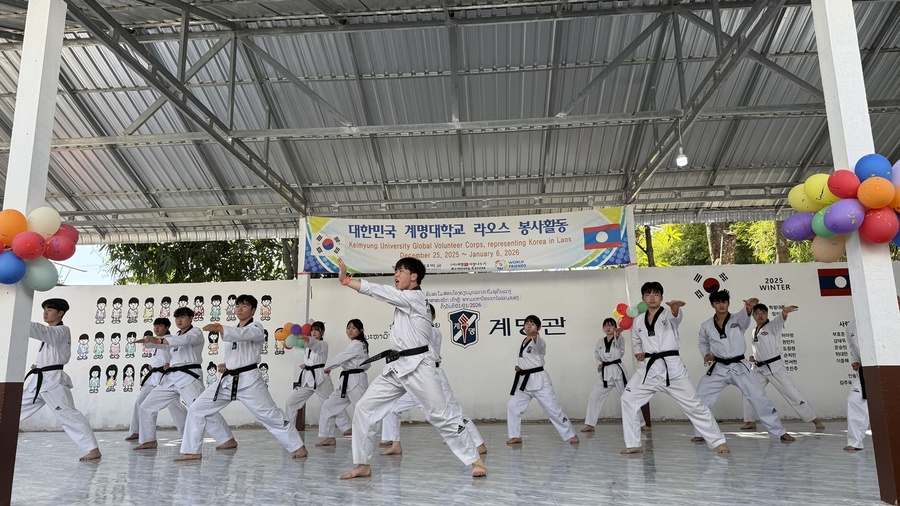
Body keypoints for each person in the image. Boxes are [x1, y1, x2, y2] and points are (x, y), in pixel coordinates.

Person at [336, 257, 486, 479]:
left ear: (414, 276)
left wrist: (348, 281)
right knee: (365, 408)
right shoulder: (405, 300)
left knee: (440, 415)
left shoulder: (414, 297)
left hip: (419, 367)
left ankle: (475, 459)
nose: (396, 275)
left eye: (401, 271)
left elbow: (380, 292)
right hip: (397, 367)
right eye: (395, 271)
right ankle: (362, 464)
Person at [176, 295, 306, 460]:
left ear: (253, 310)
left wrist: (221, 328)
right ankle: (191, 451)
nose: (239, 309)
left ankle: (298, 446)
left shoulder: (256, 328)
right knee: (196, 408)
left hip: (250, 381)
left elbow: (244, 334)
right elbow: (234, 353)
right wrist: (225, 364)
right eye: (237, 306)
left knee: (270, 415)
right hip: (228, 381)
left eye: (244, 306)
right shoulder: (232, 331)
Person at [620, 281, 729, 454]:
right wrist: (639, 351)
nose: (652, 297)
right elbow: (636, 340)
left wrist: (675, 309)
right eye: (648, 294)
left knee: (694, 405)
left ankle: (718, 442)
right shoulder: (638, 320)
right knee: (628, 398)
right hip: (648, 368)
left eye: (656, 294)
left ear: (661, 297)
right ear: (643, 298)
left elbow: (675, 317)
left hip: (672, 368)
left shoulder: (668, 314)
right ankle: (634, 444)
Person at [380, 303, 487, 456]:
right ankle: (395, 444)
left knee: (453, 411)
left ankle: (478, 444)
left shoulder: (432, 331)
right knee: (393, 408)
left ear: (433, 317)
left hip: (432, 375)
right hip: (415, 376)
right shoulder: (413, 330)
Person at [693, 291, 794, 444]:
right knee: (700, 396)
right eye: (717, 302)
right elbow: (703, 342)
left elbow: (745, 317)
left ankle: (779, 431)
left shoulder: (737, 319)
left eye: (724, 302)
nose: (721, 305)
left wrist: (748, 307)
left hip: (740, 366)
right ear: (712, 305)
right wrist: (706, 354)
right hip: (718, 367)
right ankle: (700, 432)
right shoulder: (706, 325)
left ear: (728, 303)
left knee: (759, 397)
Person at [134, 308, 235, 451]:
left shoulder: (195, 332)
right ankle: (148, 440)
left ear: (191, 318)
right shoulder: (176, 335)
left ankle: (226, 439)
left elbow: (184, 340)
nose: (179, 320)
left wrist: (159, 340)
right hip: (172, 378)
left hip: (189, 377)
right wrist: (149, 342)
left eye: (182, 317)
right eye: (177, 318)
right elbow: (168, 347)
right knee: (146, 406)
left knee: (201, 408)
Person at [21, 298, 101, 461]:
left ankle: (92, 449)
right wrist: (38, 366)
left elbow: (42, 331)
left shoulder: (62, 330)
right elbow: (50, 353)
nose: (45, 313)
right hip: (40, 381)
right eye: (44, 309)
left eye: (49, 310)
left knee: (67, 414)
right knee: (14, 408)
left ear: (60, 313)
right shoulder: (51, 333)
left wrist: (19, 321)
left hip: (53, 382)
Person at [741, 303, 825, 431]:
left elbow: (779, 320)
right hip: (759, 368)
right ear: (753, 316)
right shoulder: (754, 331)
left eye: (763, 313)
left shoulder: (772, 326)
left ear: (767, 314)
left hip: (775, 368)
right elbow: (760, 348)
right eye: (757, 313)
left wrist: (784, 313)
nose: (760, 315)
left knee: (792, 393)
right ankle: (750, 421)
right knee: (748, 389)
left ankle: (814, 419)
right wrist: (754, 357)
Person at [507, 315, 579, 446]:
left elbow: (536, 344)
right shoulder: (523, 341)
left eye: (532, 324)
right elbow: (530, 359)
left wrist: (534, 336)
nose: (529, 326)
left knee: (552, 410)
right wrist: (521, 367)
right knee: (513, 405)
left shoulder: (539, 341)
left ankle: (571, 434)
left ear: (538, 328)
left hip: (540, 381)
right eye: (527, 323)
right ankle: (515, 436)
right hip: (524, 381)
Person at [283, 321, 351, 436]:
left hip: (321, 379)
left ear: (322, 332)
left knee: (331, 403)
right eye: (312, 330)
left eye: (316, 330)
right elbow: (312, 359)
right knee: (291, 402)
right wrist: (305, 365)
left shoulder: (323, 344)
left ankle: (347, 427)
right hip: (307, 379)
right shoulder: (307, 346)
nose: (313, 332)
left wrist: (306, 338)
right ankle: (288, 429)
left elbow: (315, 346)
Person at [124, 317, 187, 442]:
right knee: (140, 402)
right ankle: (136, 431)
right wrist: (153, 365)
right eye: (155, 326)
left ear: (167, 328)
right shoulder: (156, 340)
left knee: (173, 404)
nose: (156, 328)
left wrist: (170, 364)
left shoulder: (170, 340)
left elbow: (174, 356)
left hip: (166, 376)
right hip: (153, 376)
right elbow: (158, 355)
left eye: (160, 326)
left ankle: (186, 430)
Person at [581, 318, 643, 433]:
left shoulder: (619, 338)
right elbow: (597, 356)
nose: (608, 328)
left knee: (629, 396)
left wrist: (618, 334)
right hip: (605, 372)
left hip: (618, 371)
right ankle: (590, 424)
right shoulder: (600, 342)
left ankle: (641, 423)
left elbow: (620, 349)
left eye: (610, 326)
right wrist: (599, 364)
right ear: (603, 328)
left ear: (615, 327)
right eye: (606, 326)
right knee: (594, 397)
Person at [315, 319, 370, 446]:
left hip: (356, 382)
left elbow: (342, 357)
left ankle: (371, 437)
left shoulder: (357, 344)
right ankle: (329, 436)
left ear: (360, 330)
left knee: (363, 410)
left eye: (354, 328)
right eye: (348, 327)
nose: (350, 330)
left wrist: (328, 366)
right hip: (346, 382)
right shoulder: (359, 344)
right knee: (329, 406)